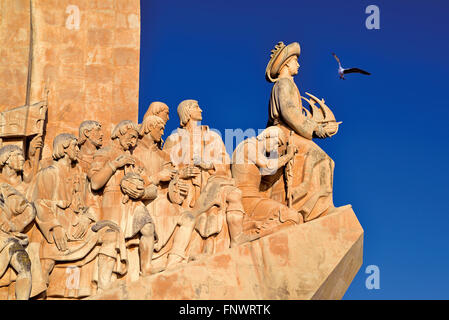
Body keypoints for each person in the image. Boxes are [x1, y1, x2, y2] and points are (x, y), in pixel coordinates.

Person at [28, 134, 124, 297]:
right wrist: (55, 227)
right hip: (57, 230)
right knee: (44, 260)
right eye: (74, 146)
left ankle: (104, 289)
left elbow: (88, 204)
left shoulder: (80, 174)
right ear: (64, 148)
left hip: (79, 227)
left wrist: (86, 217)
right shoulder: (48, 173)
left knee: (111, 235)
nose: (78, 150)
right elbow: (39, 203)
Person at [163, 100, 254, 268]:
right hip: (187, 189)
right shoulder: (174, 139)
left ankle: (217, 244)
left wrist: (209, 165)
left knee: (222, 195)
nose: (201, 109)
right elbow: (165, 166)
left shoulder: (212, 136)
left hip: (211, 180)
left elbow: (225, 161)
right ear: (188, 112)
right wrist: (182, 173)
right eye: (197, 107)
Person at [265, 41, 341, 221]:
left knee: (325, 161)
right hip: (284, 134)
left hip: (290, 132)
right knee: (320, 158)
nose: (298, 65)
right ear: (286, 64)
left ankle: (320, 206)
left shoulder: (288, 84)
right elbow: (289, 112)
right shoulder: (283, 84)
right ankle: (314, 209)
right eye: (295, 61)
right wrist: (317, 129)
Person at [88, 120, 159, 277]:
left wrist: (142, 193)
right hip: (112, 201)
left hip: (134, 203)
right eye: (131, 136)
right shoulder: (104, 153)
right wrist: (114, 164)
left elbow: (153, 188)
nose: (133, 142)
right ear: (120, 132)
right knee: (112, 238)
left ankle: (146, 267)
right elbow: (95, 183)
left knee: (148, 227)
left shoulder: (135, 160)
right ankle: (105, 281)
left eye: (135, 139)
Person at [231, 127, 303, 237]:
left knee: (295, 217)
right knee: (289, 216)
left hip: (253, 199)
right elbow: (268, 166)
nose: (276, 147)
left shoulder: (255, 150)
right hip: (247, 199)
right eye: (277, 143)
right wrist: (287, 156)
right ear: (268, 136)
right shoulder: (249, 146)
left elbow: (266, 172)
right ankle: (252, 235)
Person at [0, 145, 36, 300]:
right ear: (6, 160)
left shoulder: (6, 190)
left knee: (24, 264)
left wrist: (14, 225)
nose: (22, 159)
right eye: (18, 155)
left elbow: (29, 209)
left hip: (3, 238)